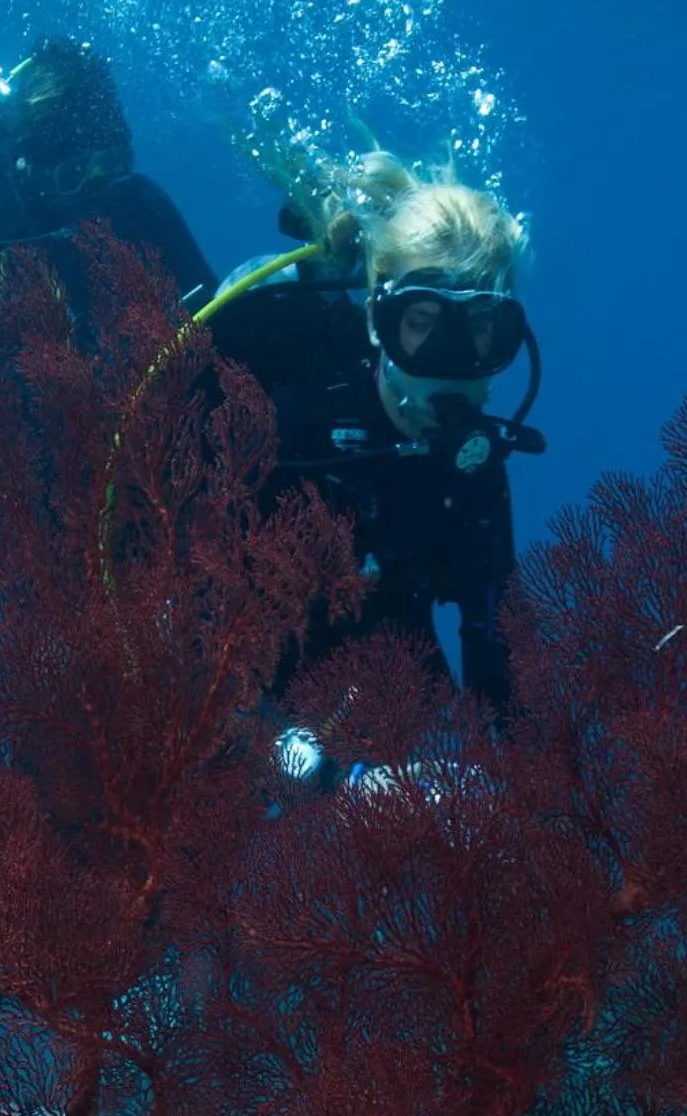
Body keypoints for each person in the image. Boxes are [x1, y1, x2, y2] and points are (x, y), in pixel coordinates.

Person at [202, 150, 540, 792]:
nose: (454, 365)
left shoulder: (473, 471)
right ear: (377, 318)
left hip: (369, 714)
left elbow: (500, 650)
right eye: (423, 325)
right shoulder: (293, 431)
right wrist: (341, 782)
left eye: (483, 334)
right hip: (238, 723)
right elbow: (181, 647)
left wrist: (537, 798)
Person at [0, 36, 218, 353]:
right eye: (74, 175)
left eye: (111, 165)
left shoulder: (139, 202)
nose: (97, 195)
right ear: (30, 170)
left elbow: (215, 313)